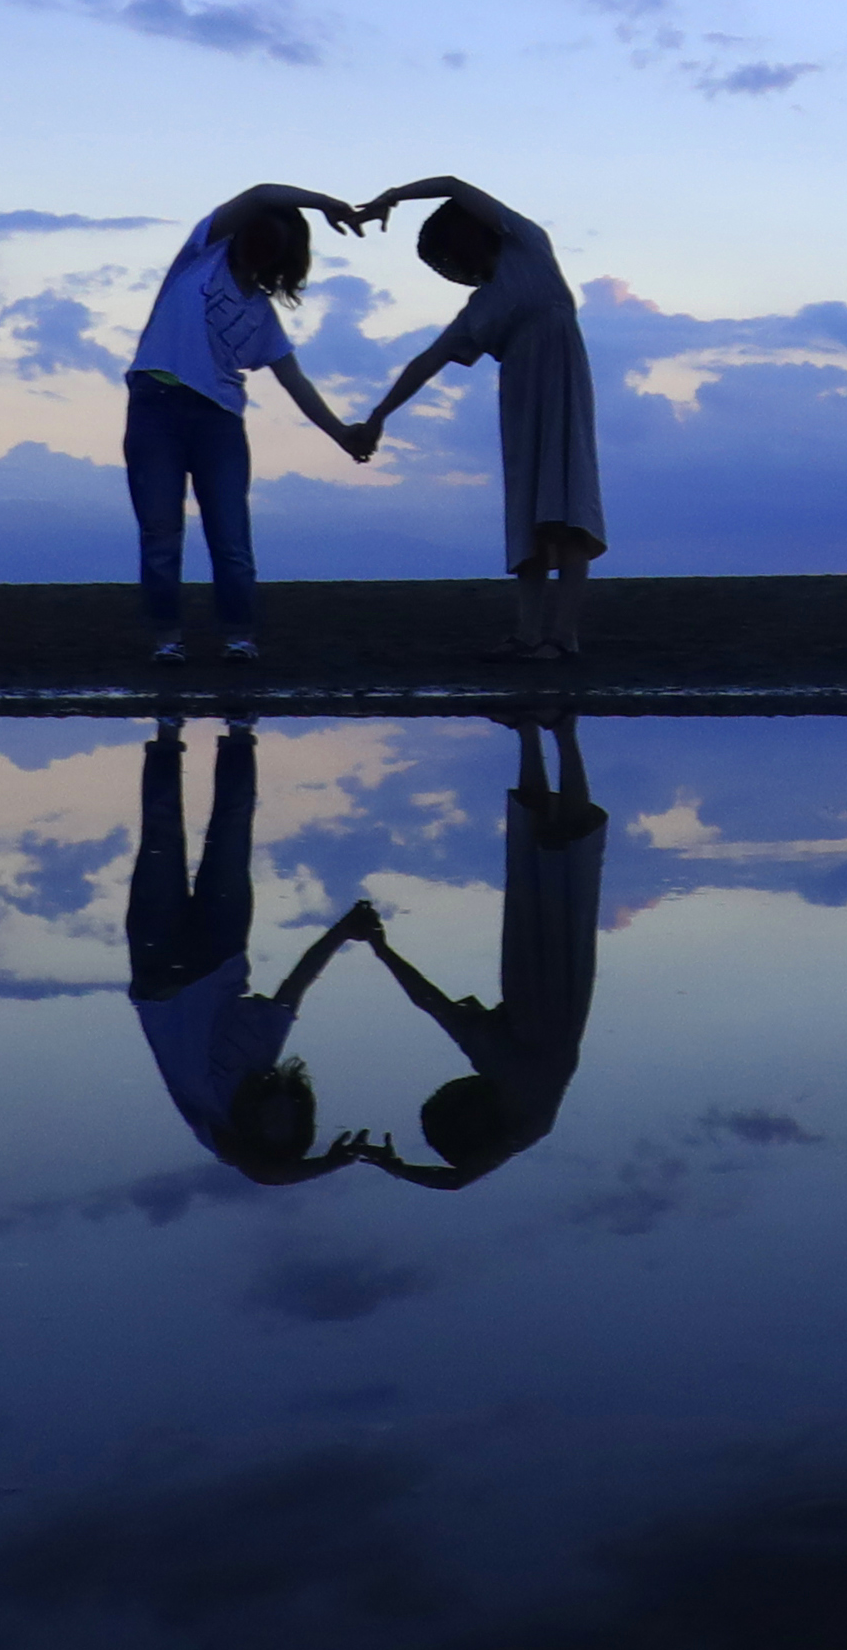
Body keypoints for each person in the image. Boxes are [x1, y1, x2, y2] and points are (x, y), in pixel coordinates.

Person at [335, 709, 609, 1189]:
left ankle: (533, 731)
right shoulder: (527, 1117)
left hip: (529, 975)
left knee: (535, 852)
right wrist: (394, 1166)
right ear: (472, 1120)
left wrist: (382, 949)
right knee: (565, 851)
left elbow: (430, 1002)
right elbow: (458, 1179)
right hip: (559, 982)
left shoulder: (496, 1067)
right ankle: (560, 731)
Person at [350, 176, 611, 666]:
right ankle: (530, 635)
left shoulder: (528, 245)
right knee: (531, 513)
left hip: (561, 385)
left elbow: (451, 182)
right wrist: (378, 416)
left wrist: (393, 197)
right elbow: (426, 362)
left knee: (567, 507)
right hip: (520, 397)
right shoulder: (481, 307)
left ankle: (563, 636)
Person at [121, 715, 390, 1187]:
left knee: (161, 835)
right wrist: (343, 931)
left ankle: (167, 733)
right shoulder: (264, 1053)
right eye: (289, 1124)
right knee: (232, 833)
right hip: (220, 950)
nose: (277, 1119)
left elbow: (265, 1171)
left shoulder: (217, 1125)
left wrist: (330, 1164)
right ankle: (241, 733)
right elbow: (297, 984)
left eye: (270, 1129)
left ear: (252, 1132)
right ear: (300, 1112)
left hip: (159, 964)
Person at [125, 182, 381, 664]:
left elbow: (294, 382)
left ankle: (239, 638)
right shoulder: (202, 256)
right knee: (160, 535)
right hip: (155, 406)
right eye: (259, 230)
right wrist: (326, 203)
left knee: (231, 539)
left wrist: (343, 434)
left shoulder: (262, 315)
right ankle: (166, 640)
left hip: (219, 421)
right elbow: (262, 192)